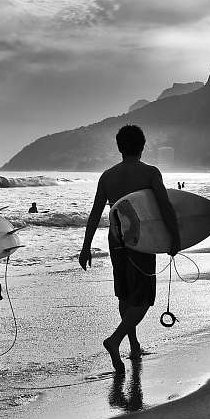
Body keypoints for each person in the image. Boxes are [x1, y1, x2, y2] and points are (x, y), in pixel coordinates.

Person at [79, 125, 181, 374]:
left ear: (119, 147)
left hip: (115, 239)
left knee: (124, 294)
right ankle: (115, 340)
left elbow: (94, 215)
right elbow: (165, 206)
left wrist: (85, 247)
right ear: (143, 146)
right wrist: (174, 236)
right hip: (141, 241)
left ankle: (133, 345)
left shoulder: (107, 176)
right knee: (144, 298)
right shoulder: (150, 173)